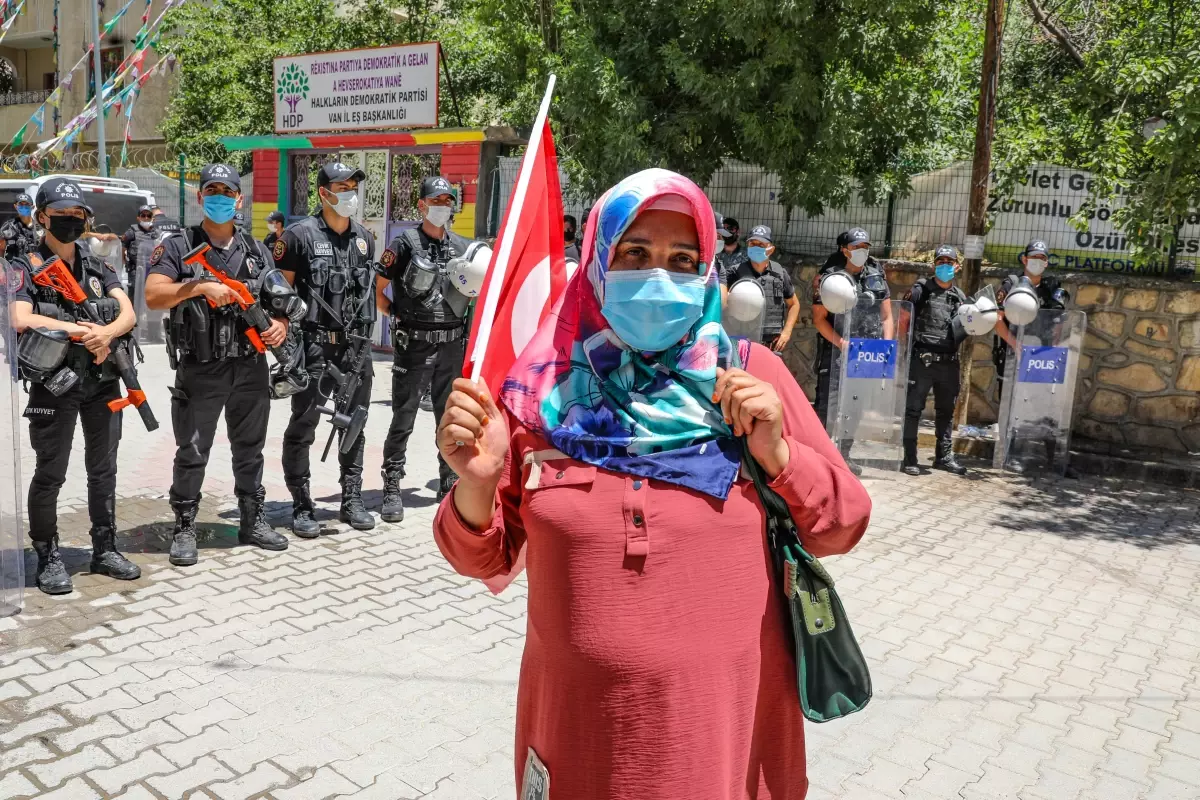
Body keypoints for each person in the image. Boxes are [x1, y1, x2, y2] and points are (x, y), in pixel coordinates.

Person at [432, 168, 871, 799]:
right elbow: (481, 556)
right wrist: (475, 485)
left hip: (721, 738)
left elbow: (843, 524)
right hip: (578, 738)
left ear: (707, 272)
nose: (658, 276)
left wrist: (776, 452)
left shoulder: (752, 378)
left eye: (682, 258)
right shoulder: (542, 395)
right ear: (596, 262)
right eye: (634, 253)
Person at [144, 163, 292, 565]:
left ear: (238, 199)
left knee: (250, 448)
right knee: (192, 449)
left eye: (227, 192)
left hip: (249, 365)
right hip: (202, 365)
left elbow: (279, 298)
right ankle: (185, 527)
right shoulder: (178, 245)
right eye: (212, 191)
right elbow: (154, 295)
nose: (220, 199)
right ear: (200, 197)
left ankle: (253, 520)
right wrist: (198, 286)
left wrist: (279, 325)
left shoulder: (255, 248)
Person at [9, 178, 141, 594]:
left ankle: (105, 547)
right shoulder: (22, 263)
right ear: (42, 216)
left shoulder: (98, 262)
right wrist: (81, 331)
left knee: (104, 470)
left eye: (77, 215)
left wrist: (107, 334)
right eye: (61, 215)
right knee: (51, 472)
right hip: (55, 383)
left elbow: (128, 314)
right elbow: (20, 318)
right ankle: (48, 555)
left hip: (102, 382)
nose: (70, 221)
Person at [273, 162, 377, 534]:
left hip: (356, 350)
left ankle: (351, 500)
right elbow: (279, 295)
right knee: (304, 424)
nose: (349, 191)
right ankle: (301, 504)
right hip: (316, 348)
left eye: (353, 185)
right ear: (323, 192)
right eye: (341, 186)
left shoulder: (365, 238)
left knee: (356, 424)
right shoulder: (298, 236)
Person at [375, 175, 472, 521]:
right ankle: (392, 485)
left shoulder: (462, 247)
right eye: (436, 201)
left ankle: (449, 483)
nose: (442, 207)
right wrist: (394, 316)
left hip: (451, 347)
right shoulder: (404, 244)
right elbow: (379, 286)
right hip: (414, 346)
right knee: (404, 415)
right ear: (421, 205)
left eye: (447, 201)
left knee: (450, 419)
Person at [811, 226, 893, 474]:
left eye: (865, 247)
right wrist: (841, 343)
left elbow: (887, 317)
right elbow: (818, 319)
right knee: (827, 406)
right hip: (838, 350)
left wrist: (885, 347)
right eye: (856, 247)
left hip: (867, 351)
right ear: (844, 250)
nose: (861, 251)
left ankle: (844, 455)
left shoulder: (876, 275)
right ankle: (819, 458)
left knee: (855, 407)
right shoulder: (830, 278)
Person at [993, 239, 1076, 476]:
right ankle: (1011, 456)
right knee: (1013, 406)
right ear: (1024, 259)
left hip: (1042, 356)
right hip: (1015, 355)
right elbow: (997, 321)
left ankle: (1055, 461)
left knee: (1046, 407)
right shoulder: (1011, 284)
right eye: (1034, 257)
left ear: (1047, 261)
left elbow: (1058, 321)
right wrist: (1015, 345)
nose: (1038, 261)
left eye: (1042, 258)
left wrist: (1053, 348)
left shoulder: (1052, 287)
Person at [902, 245, 968, 476]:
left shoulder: (960, 297)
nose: (945, 266)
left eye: (949, 262)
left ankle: (944, 458)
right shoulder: (921, 289)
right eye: (940, 262)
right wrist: (904, 351)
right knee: (913, 410)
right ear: (933, 265)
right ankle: (909, 458)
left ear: (957, 266)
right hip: (922, 361)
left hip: (949, 363)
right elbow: (904, 319)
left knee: (946, 412)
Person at [724, 224, 799, 352]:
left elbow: (794, 304)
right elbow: (721, 303)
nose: (756, 247)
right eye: (752, 244)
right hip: (741, 343)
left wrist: (787, 332)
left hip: (771, 345)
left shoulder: (779, 273)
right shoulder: (734, 273)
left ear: (771, 249)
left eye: (761, 245)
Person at [120, 204, 157, 302]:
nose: (146, 218)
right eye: (143, 215)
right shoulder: (132, 231)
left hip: (151, 269)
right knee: (135, 297)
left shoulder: (155, 232)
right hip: (135, 269)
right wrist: (124, 260)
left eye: (148, 216)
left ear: (152, 218)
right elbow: (123, 246)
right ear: (138, 217)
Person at [1, 193, 40, 260]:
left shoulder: (39, 227)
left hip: (36, 268)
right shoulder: (8, 227)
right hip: (14, 268)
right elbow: (1, 249)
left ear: (32, 207)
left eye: (27, 205)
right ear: (15, 206)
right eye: (21, 204)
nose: (23, 207)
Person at [714, 214, 746, 284]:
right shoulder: (715, 253)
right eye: (724, 229)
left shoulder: (747, 255)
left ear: (738, 232)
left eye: (730, 229)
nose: (727, 232)